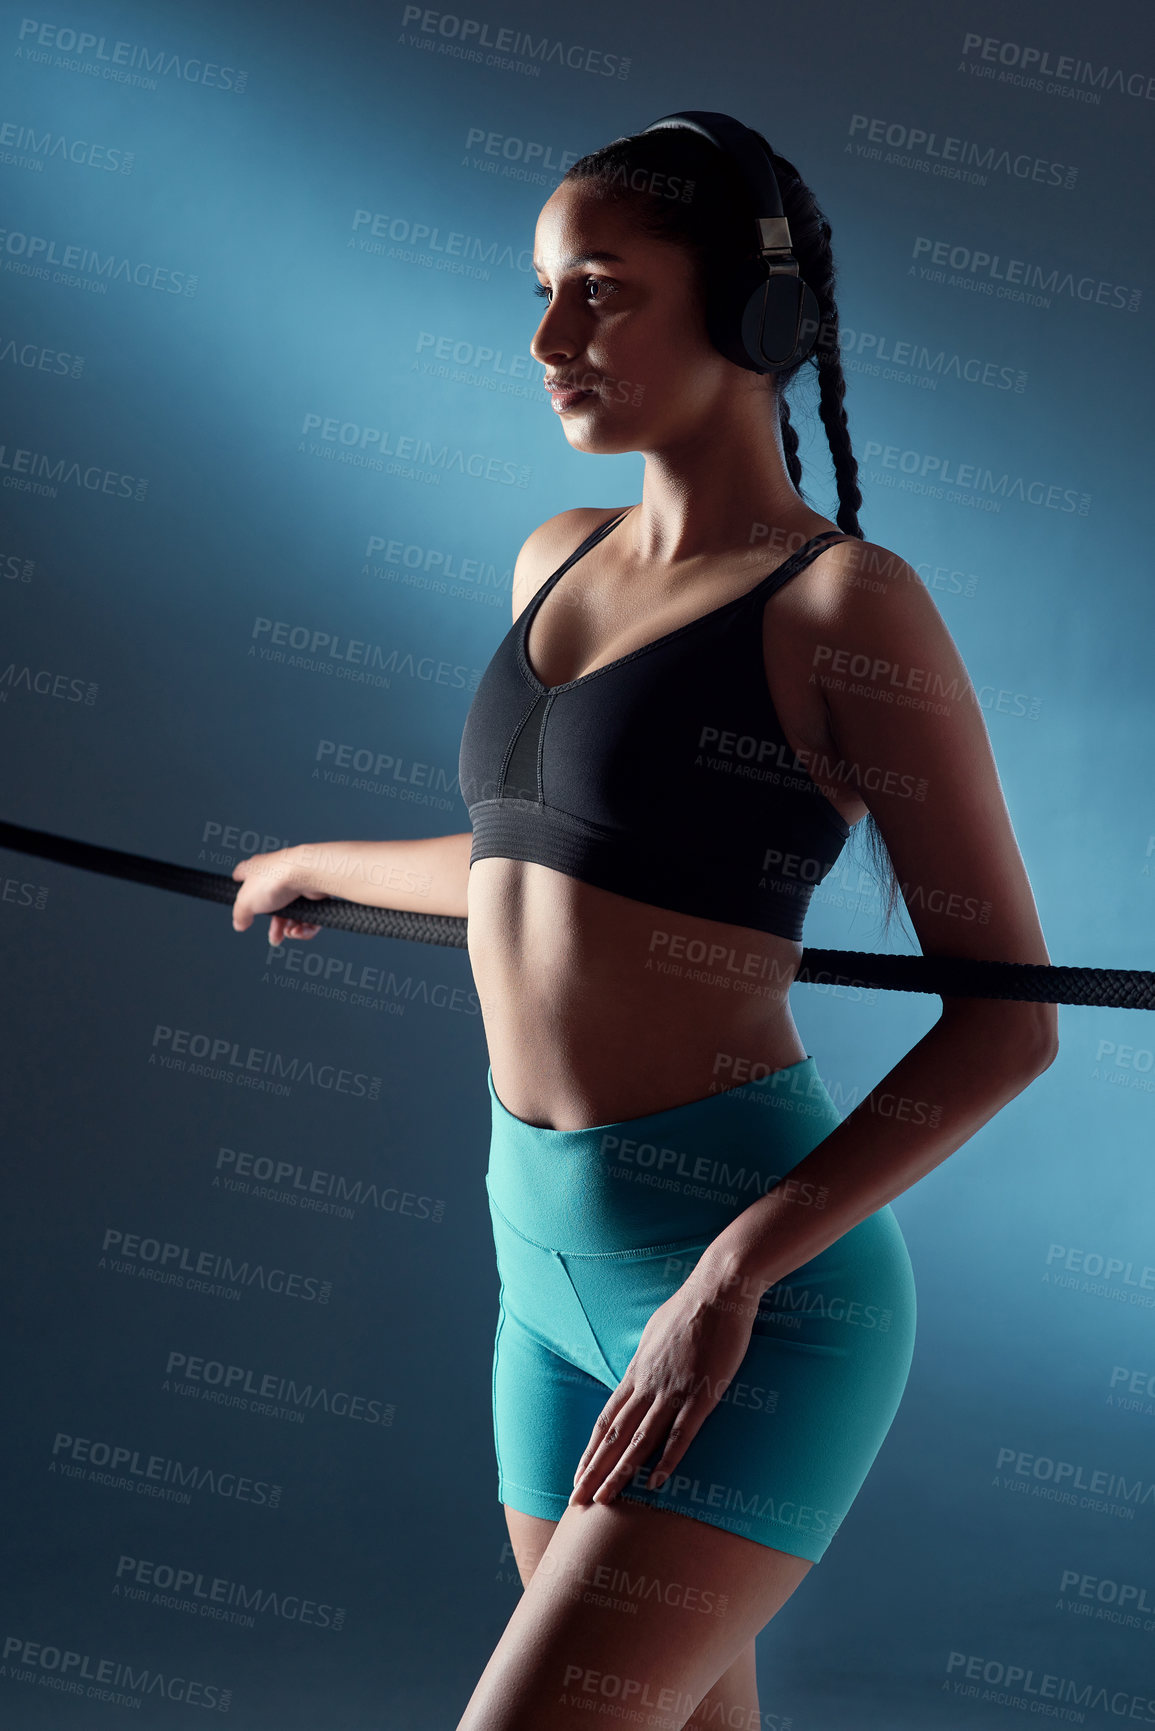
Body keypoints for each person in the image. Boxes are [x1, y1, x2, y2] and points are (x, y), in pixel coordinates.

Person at [231, 119, 1058, 1731]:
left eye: (601, 292)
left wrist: (731, 1278)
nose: (549, 340)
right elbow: (536, 871)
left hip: (754, 1295)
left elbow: (1008, 1020)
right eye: (544, 292)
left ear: (759, 323)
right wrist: (322, 858)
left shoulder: (846, 610)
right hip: (534, 1269)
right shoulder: (556, 561)